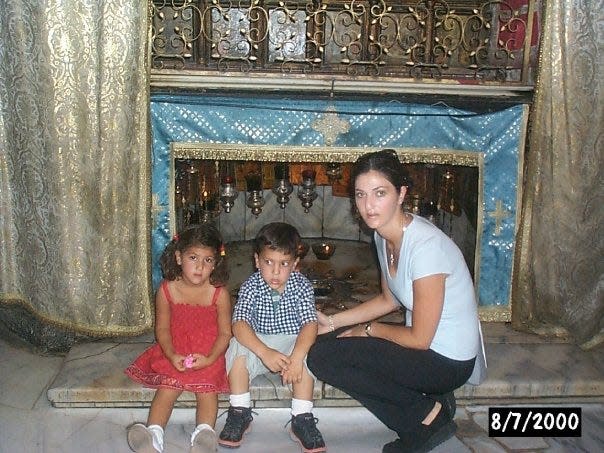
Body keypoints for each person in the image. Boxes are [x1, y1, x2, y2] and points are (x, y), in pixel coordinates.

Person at [307, 149, 486, 453]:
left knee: (323, 359)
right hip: (426, 349)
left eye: (380, 193)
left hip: (447, 361)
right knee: (324, 344)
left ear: (401, 193)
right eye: (360, 195)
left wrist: (369, 330)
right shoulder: (383, 234)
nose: (368, 206)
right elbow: (389, 299)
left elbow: (418, 338)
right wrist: (334, 321)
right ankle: (429, 403)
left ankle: (426, 417)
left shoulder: (426, 248)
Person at [218, 222, 326, 453]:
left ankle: (302, 416)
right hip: (259, 344)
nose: (275, 272)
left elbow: (309, 324)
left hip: (290, 343)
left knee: (309, 355)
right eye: (268, 262)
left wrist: (297, 358)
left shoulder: (302, 287)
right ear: (257, 261)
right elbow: (239, 324)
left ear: (295, 264)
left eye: (284, 264)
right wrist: (264, 352)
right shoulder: (251, 286)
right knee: (237, 347)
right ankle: (239, 410)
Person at [125, 224, 232, 453]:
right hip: (175, 348)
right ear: (179, 257)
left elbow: (225, 333)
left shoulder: (219, 294)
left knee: (206, 390)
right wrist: (172, 354)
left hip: (209, 351)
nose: (200, 267)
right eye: (193, 257)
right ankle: (153, 436)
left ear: (216, 263)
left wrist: (211, 357)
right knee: (168, 386)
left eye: (208, 260)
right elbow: (162, 329)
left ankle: (204, 435)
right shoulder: (166, 290)